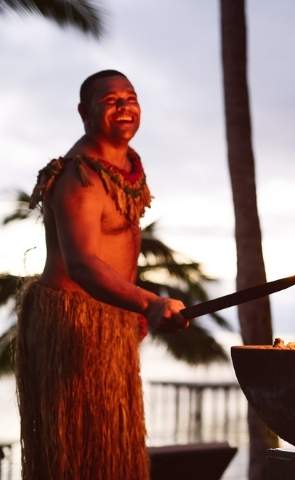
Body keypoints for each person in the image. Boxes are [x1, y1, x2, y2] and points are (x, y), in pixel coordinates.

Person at [15, 69, 186, 480]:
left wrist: (132, 308)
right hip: (74, 325)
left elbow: (117, 254)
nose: (124, 107)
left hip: (112, 318)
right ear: (84, 111)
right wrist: (149, 302)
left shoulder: (124, 169)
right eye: (110, 101)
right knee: (78, 455)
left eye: (130, 98)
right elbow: (83, 264)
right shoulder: (80, 175)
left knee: (115, 452)